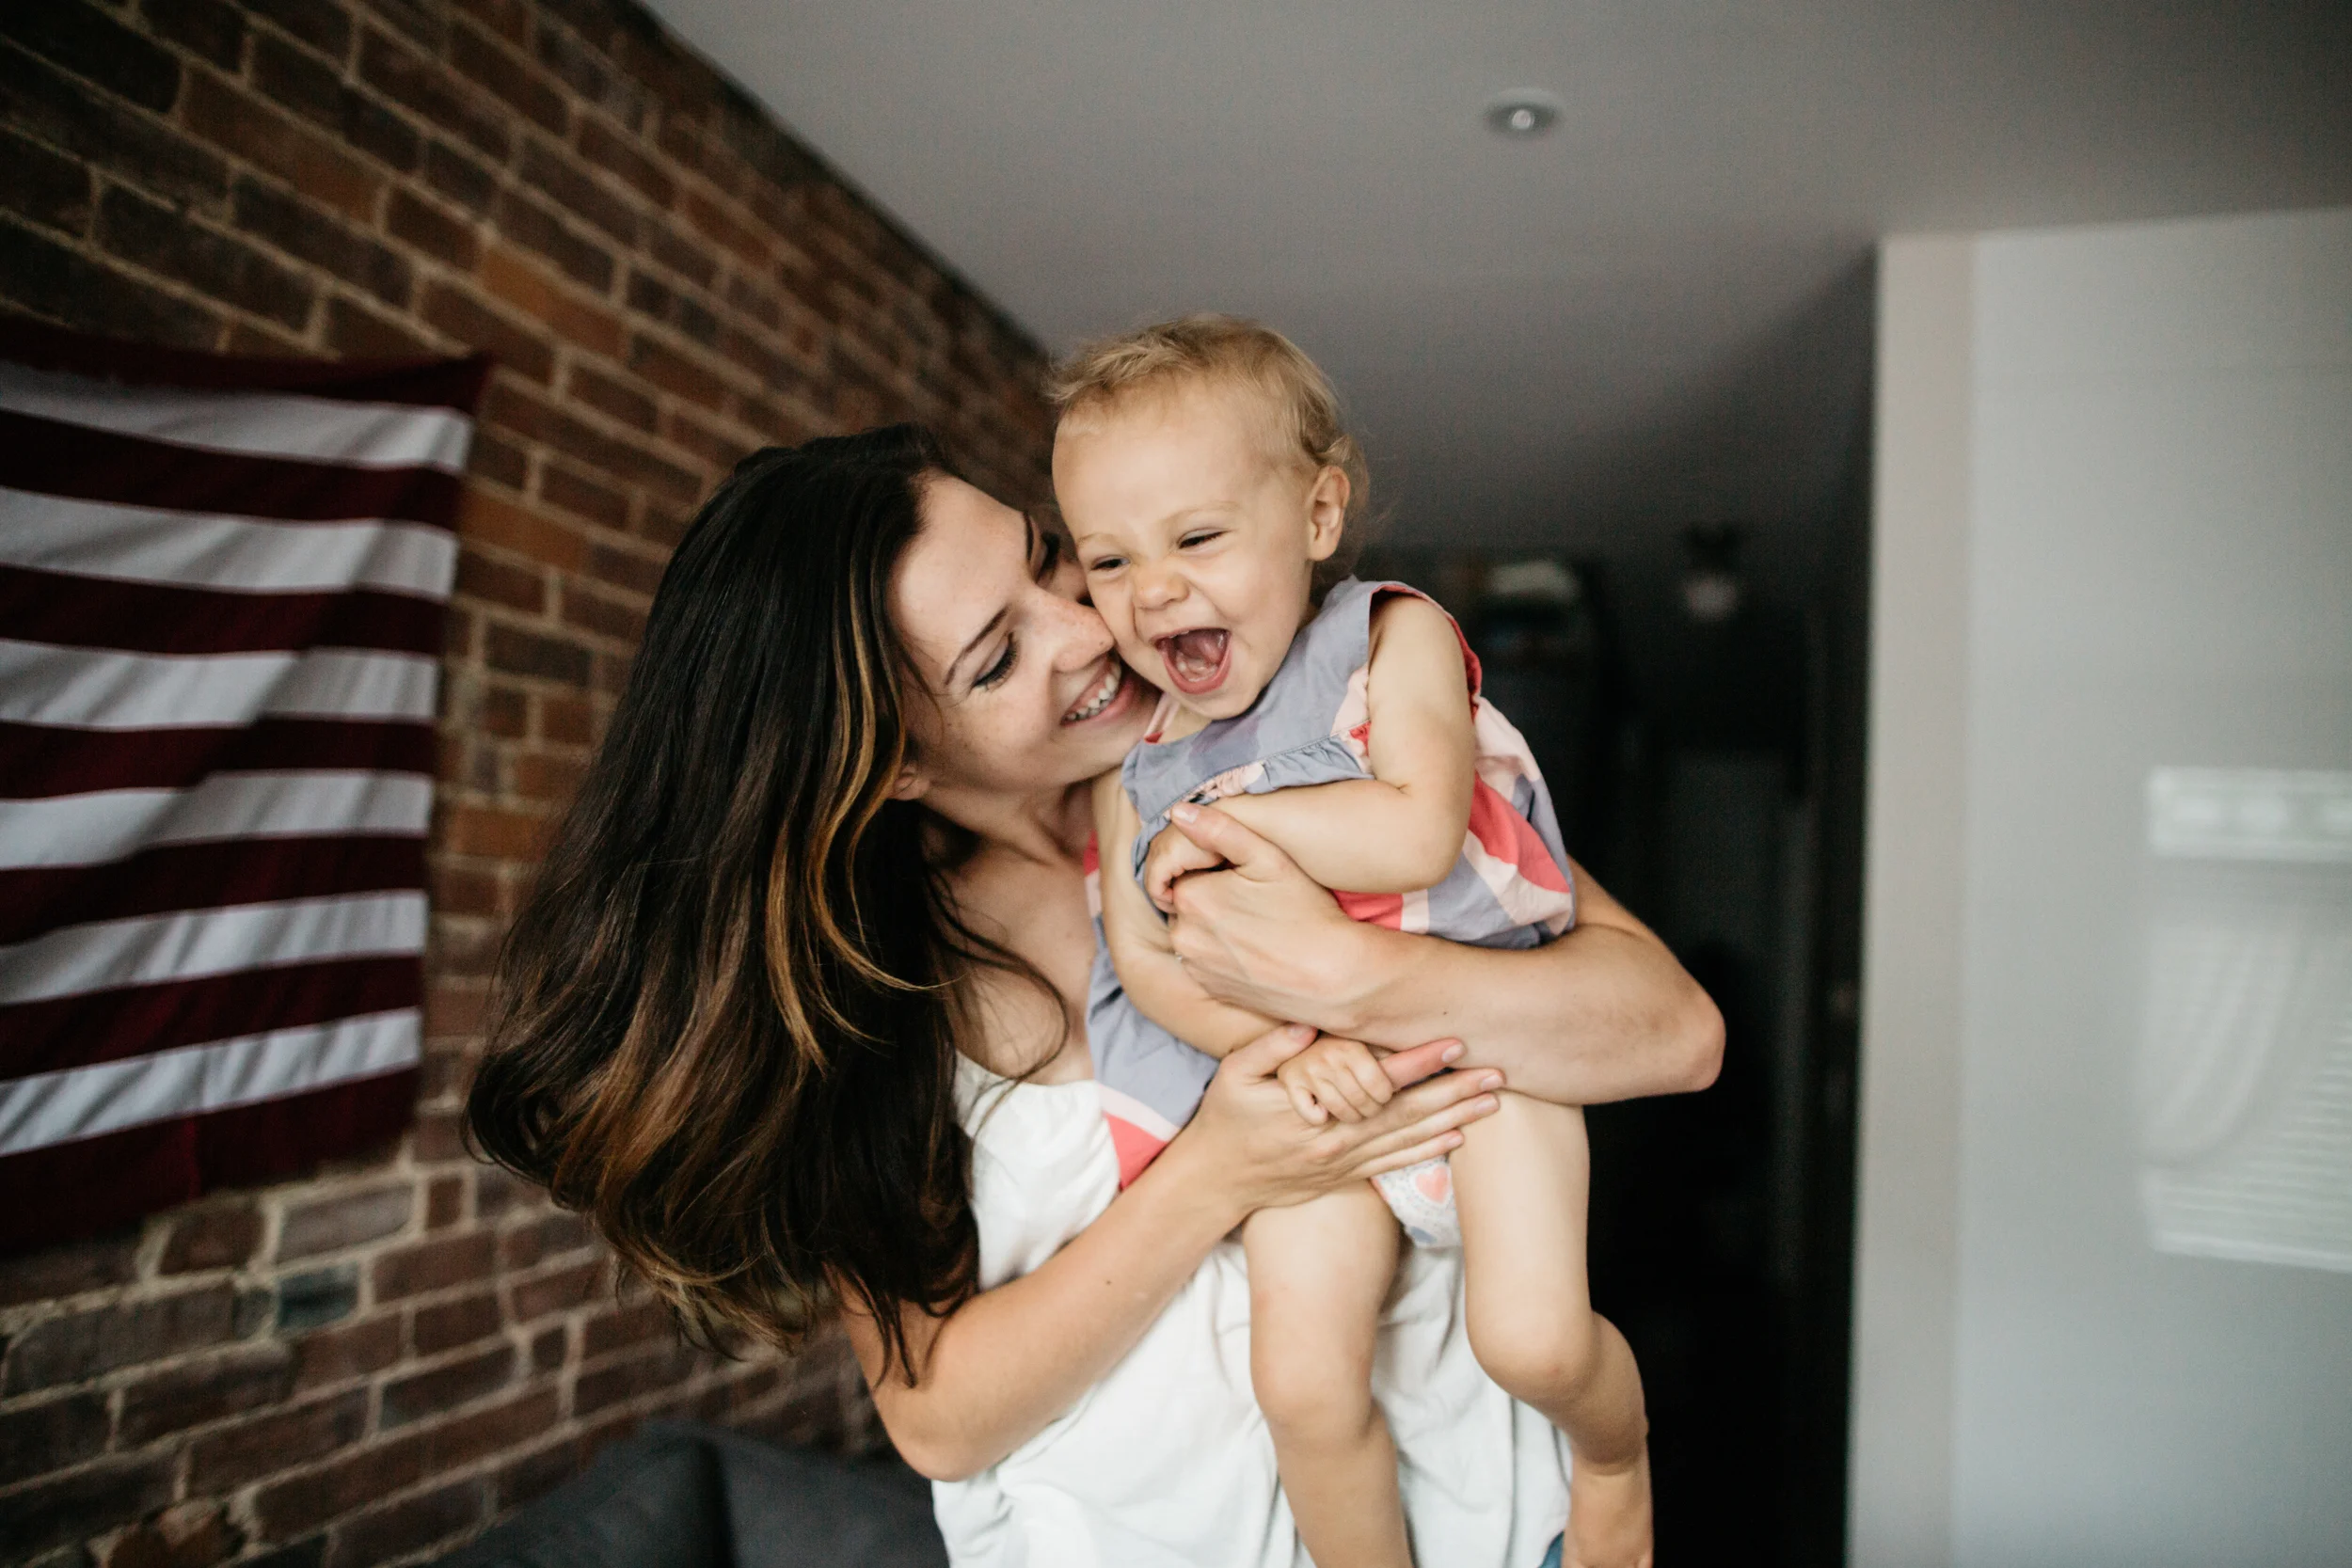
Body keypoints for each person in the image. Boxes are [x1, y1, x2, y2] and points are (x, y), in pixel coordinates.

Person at [464, 424, 1722, 1568]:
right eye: (998, 657)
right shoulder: (873, 998)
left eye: (1049, 561)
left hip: (1492, 1519)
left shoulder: (1289, 737)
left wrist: (1360, 974)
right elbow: (939, 1416)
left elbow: (1677, 1033)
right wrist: (1220, 1168)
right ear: (892, 758)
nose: (1082, 632)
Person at [1055, 315, 1649, 1568]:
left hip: (1483, 1059)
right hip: (1323, 1103)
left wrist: (1222, 821)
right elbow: (1148, 962)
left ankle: (1613, 1456)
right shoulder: (1136, 765)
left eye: (1197, 538)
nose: (1152, 590)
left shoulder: (1387, 640)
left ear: (1318, 515)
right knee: (1303, 1388)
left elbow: (1416, 829)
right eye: (1108, 561)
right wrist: (1273, 1046)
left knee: (1534, 1342)